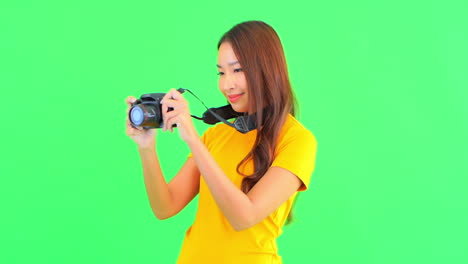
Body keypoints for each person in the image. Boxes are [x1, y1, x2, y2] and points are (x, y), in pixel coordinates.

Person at [125, 20, 317, 264]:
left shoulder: (297, 141)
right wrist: (146, 147)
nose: (227, 84)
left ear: (267, 69)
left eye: (238, 70)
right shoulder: (217, 135)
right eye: (221, 72)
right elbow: (165, 206)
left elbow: (244, 217)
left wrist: (193, 140)